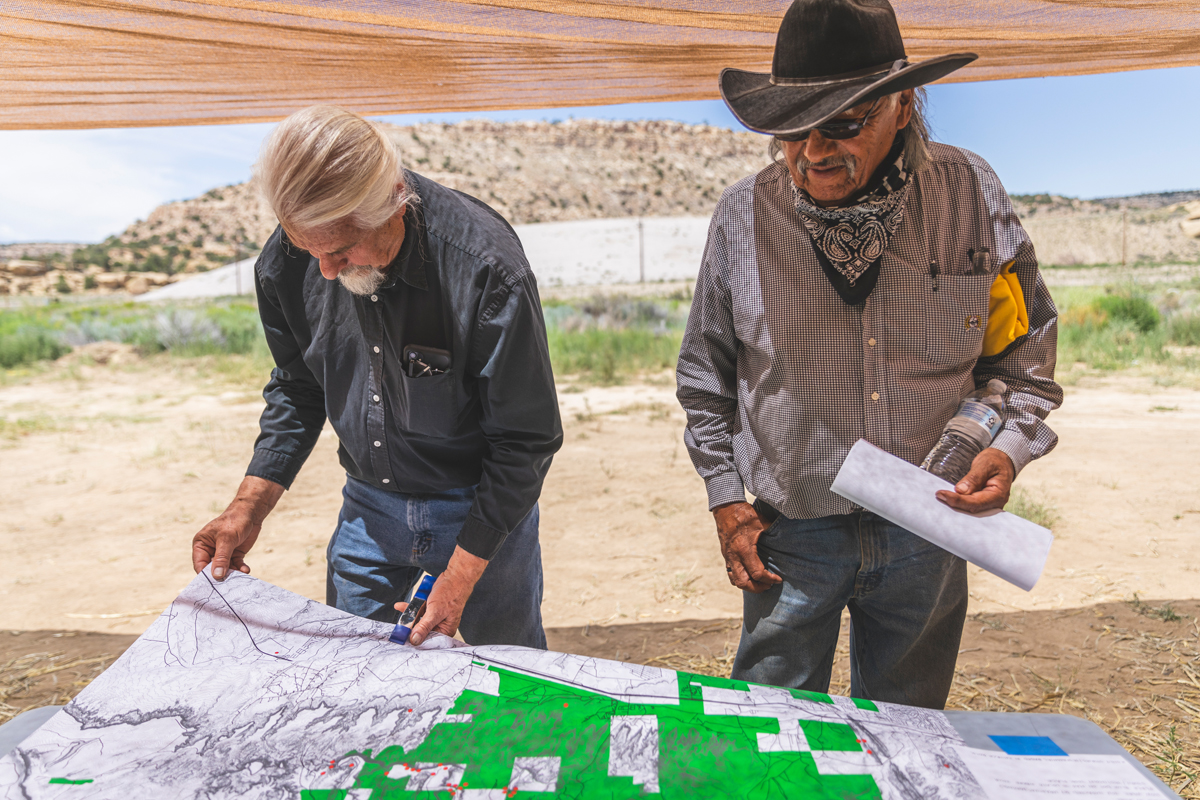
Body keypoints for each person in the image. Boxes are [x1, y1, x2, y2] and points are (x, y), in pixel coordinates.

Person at [676, 0, 1062, 708]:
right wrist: (728, 504)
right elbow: (706, 380)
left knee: (909, 730)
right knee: (773, 737)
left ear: (904, 107)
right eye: (791, 130)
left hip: (930, 528)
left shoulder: (970, 195)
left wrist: (1006, 449)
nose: (813, 152)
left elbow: (1022, 357)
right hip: (792, 533)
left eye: (844, 125)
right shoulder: (744, 215)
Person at [192, 105, 562, 649]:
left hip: (481, 516)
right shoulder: (289, 261)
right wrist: (248, 507)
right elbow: (298, 387)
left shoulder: (485, 266)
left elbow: (524, 440)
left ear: (394, 199)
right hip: (367, 510)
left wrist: (460, 576)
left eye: (341, 249)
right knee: (355, 686)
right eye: (308, 249)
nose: (326, 270)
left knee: (506, 683)